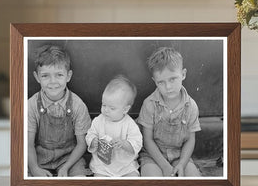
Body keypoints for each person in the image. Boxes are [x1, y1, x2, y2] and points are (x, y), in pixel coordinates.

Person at [27, 45, 91, 177]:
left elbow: (81, 144)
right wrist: (34, 168)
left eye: (59, 75)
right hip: (39, 159)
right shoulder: (31, 105)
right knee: (25, 180)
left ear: (68, 76)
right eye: (45, 76)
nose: (53, 82)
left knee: (79, 181)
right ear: (37, 77)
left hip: (70, 159)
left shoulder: (78, 105)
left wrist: (66, 168)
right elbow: (28, 144)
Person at [137, 47, 202, 177]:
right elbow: (148, 140)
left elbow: (190, 140)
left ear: (183, 74)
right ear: (155, 81)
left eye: (172, 79)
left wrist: (182, 164)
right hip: (153, 157)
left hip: (180, 156)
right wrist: (164, 166)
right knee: (153, 181)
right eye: (161, 82)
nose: (168, 87)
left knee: (195, 181)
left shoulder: (191, 106)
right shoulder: (150, 104)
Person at [86, 75, 142, 177]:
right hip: (102, 167)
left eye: (112, 108)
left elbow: (137, 143)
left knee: (133, 179)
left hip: (126, 167)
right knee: (98, 182)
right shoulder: (98, 121)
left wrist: (124, 144)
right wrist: (93, 141)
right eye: (104, 105)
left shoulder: (130, 124)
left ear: (125, 109)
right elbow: (90, 134)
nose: (106, 110)